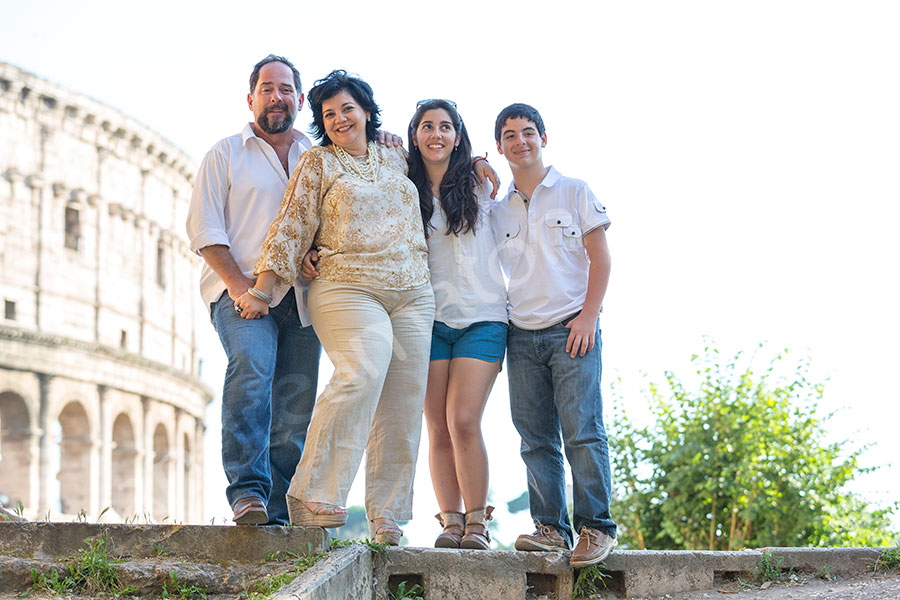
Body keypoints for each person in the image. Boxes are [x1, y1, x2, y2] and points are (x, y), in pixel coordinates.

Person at [238, 70, 434, 546]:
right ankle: (311, 493)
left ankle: (387, 515)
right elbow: (291, 227)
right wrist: (262, 291)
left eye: (348, 108)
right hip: (346, 287)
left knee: (403, 400)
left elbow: (445, 171)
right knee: (363, 371)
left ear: (366, 110)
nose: (341, 119)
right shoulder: (317, 163)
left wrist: (480, 167)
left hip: (412, 291)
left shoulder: (396, 156)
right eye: (329, 114)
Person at [186, 54, 322, 526]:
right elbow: (205, 229)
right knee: (252, 368)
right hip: (240, 295)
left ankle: (279, 503)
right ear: (251, 99)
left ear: (300, 100)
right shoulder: (224, 154)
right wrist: (241, 287)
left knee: (297, 398)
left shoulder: (320, 157)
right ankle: (247, 492)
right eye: (267, 88)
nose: (276, 97)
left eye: (285, 89)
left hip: (304, 298)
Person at [490, 103, 617, 567]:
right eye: (509, 135)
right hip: (521, 335)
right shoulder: (495, 211)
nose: (520, 141)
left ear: (543, 138)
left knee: (582, 431)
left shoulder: (574, 191)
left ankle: (597, 528)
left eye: (528, 132)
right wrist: (480, 170)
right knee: (535, 438)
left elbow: (601, 258)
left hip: (572, 330)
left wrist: (589, 316)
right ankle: (550, 529)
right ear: (500, 145)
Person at [407, 100, 507, 550]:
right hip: (426, 319)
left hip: (482, 317)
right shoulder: (403, 189)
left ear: (457, 136)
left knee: (463, 419)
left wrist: (481, 161)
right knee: (437, 426)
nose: (436, 134)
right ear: (415, 136)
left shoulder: (479, 186)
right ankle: (449, 523)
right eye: (427, 126)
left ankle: (477, 523)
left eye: (446, 127)